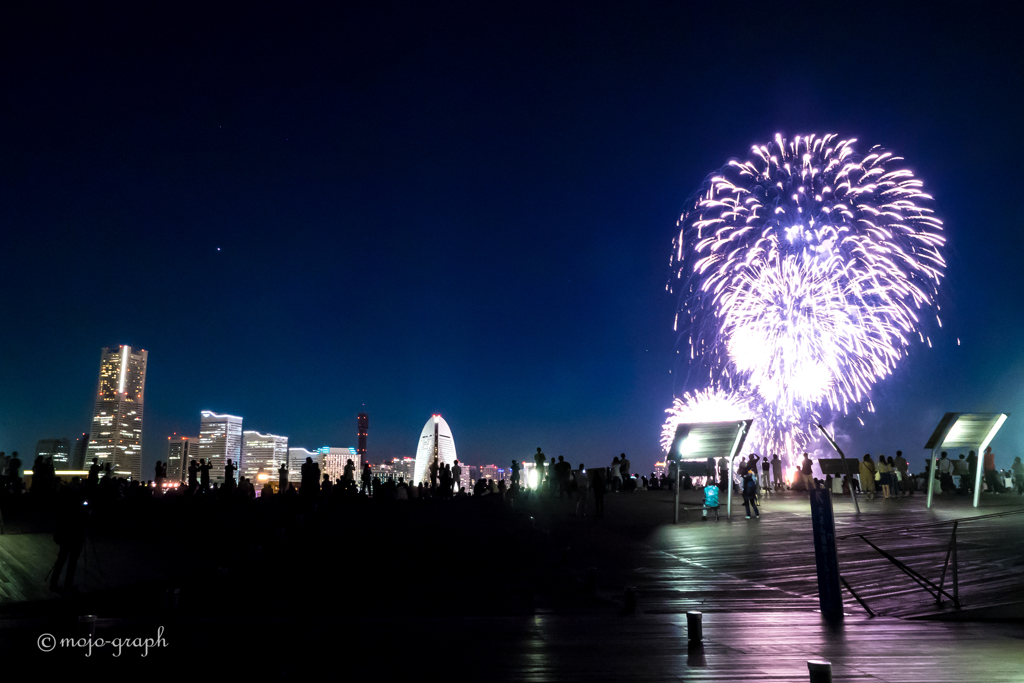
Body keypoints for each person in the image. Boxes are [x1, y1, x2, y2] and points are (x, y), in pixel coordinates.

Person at [49, 486, 89, 593]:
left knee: (61, 560)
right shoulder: (79, 509)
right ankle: (68, 585)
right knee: (72, 563)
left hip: (65, 538)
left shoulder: (65, 507)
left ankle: (53, 583)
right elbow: (84, 521)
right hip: (75, 538)